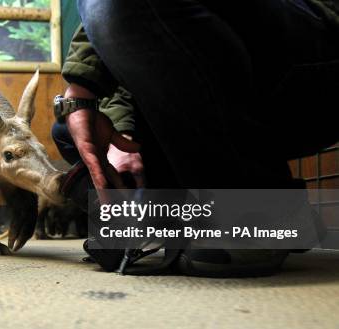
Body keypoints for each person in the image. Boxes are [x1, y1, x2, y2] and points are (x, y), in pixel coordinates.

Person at [53, 0, 339, 276]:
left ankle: (252, 210)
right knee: (72, 131)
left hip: (307, 57)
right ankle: (165, 216)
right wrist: (98, 108)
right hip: (217, 77)